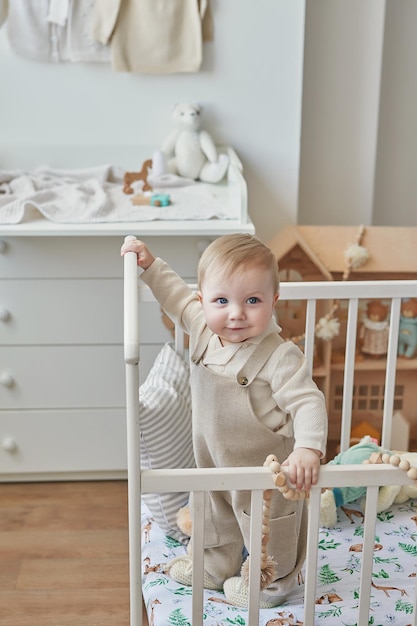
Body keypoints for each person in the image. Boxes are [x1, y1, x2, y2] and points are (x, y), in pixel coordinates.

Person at [121, 233, 328, 608]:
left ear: (274, 301)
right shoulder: (201, 327)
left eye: (252, 300)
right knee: (215, 511)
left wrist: (307, 449)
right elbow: (174, 295)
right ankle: (215, 565)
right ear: (202, 301)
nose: (236, 313)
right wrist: (150, 266)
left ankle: (271, 585)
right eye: (222, 300)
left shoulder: (280, 356)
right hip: (214, 457)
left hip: (268, 468)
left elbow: (309, 402)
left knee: (268, 527)